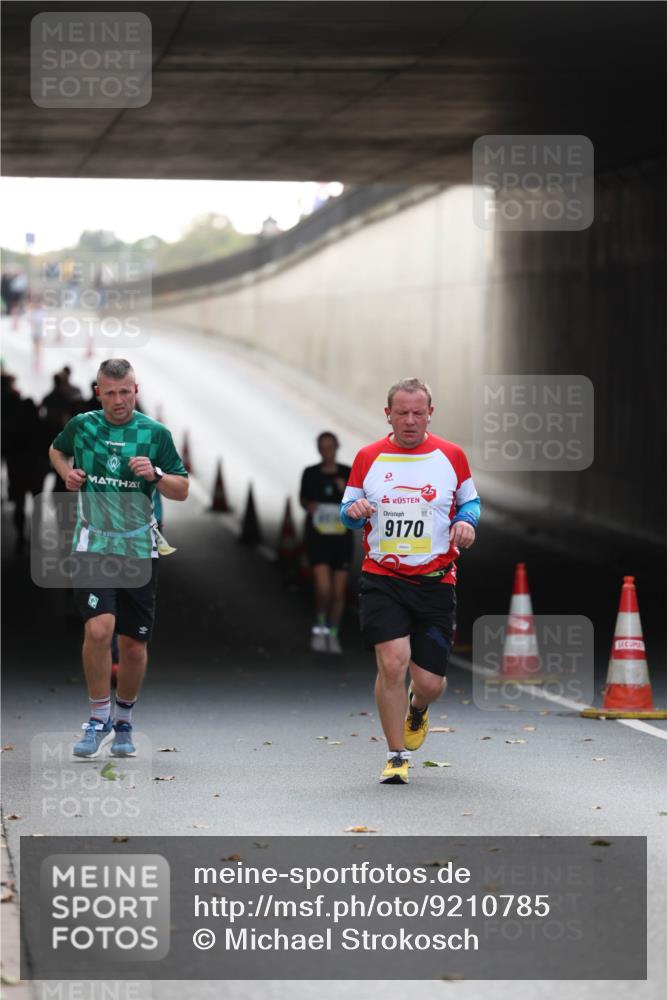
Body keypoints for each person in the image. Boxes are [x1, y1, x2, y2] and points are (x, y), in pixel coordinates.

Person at [340, 378, 480, 784]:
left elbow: (470, 500)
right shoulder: (369, 457)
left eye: (418, 413)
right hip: (383, 578)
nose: (410, 420)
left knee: (430, 682)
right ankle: (396, 753)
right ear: (388, 415)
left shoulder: (451, 455)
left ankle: (418, 708)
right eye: (402, 413)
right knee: (392, 663)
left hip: (436, 581)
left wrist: (466, 521)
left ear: (430, 414)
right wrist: (356, 509)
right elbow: (347, 508)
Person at [48, 358, 188, 758]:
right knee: (98, 629)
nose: (118, 400)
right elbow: (56, 450)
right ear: (98, 393)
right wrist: (67, 473)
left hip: (138, 549)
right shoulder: (84, 425)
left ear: (135, 390)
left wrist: (157, 476)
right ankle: (97, 719)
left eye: (124, 392)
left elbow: (182, 490)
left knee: (133, 646)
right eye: (109, 393)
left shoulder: (154, 434)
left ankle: (123, 718)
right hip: (93, 543)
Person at [299, 432, 353, 654]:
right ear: (318, 449)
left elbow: (359, 503)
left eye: (330, 447)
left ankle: (333, 633)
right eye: (323, 447)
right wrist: (309, 505)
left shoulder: (347, 473)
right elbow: (302, 498)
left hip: (341, 540)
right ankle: (319, 628)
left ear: (337, 447)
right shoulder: (310, 473)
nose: (327, 451)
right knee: (324, 590)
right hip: (318, 538)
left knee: (339, 594)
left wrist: (345, 492)